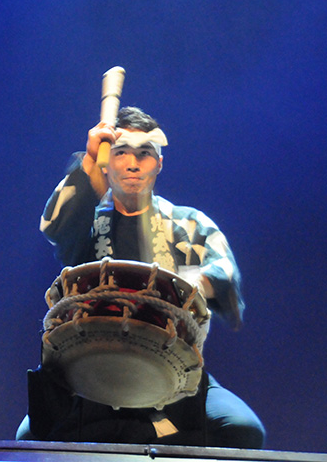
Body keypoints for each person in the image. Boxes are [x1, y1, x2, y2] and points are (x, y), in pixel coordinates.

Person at [17, 107, 265, 448]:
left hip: (168, 363)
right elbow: (53, 224)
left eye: (144, 154)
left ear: (158, 164)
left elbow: (224, 269)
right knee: (29, 438)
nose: (133, 164)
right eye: (121, 153)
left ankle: (140, 432)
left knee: (241, 429)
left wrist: (183, 285)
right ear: (107, 162)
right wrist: (88, 161)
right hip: (94, 362)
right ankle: (139, 433)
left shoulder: (186, 222)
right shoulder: (87, 221)